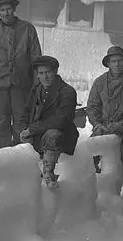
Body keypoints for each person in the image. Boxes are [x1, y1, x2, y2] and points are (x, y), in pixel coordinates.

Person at [0, 0, 42, 148]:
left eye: (8, 9)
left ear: (14, 9)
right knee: (0, 125)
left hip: (22, 86)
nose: (6, 13)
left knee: (22, 123)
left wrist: (37, 86)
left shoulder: (27, 29)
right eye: (2, 10)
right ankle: (1, 160)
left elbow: (36, 59)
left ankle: (22, 157)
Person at [86, 45, 123, 213]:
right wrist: (97, 124)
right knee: (89, 152)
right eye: (114, 61)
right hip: (105, 125)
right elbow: (92, 107)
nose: (117, 64)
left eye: (120, 61)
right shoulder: (99, 83)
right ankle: (89, 194)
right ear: (108, 63)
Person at [20, 56, 79, 188]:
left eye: (48, 72)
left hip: (61, 137)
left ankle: (49, 173)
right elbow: (26, 111)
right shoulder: (36, 90)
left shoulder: (67, 91)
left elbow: (61, 120)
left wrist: (32, 129)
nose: (45, 76)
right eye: (41, 73)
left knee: (53, 134)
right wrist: (24, 129)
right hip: (37, 135)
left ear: (55, 71)